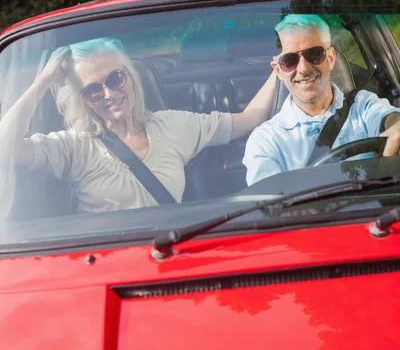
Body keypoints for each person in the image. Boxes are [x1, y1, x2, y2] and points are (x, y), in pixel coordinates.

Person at [0, 37, 276, 213]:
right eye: (93, 90)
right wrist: (45, 79)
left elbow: (250, 118)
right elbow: (4, 146)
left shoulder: (172, 126)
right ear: (82, 99)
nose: (108, 94)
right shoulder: (74, 145)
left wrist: (282, 67)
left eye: (115, 78)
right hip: (102, 265)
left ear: (130, 77)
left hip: (169, 258)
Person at [243, 15, 400, 185]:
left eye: (314, 54)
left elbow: (389, 118)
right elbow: (270, 206)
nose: (303, 68)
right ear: (278, 71)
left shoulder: (362, 105)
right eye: (289, 61)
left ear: (330, 58)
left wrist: (397, 127)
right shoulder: (266, 141)